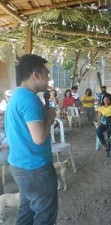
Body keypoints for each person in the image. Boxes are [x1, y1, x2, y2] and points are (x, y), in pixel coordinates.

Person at [4, 54, 58, 224]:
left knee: (26, 211)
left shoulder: (17, 96)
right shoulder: (29, 99)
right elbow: (40, 137)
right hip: (35, 168)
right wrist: (49, 118)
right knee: (44, 216)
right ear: (36, 74)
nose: (49, 78)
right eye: (47, 74)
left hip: (20, 165)